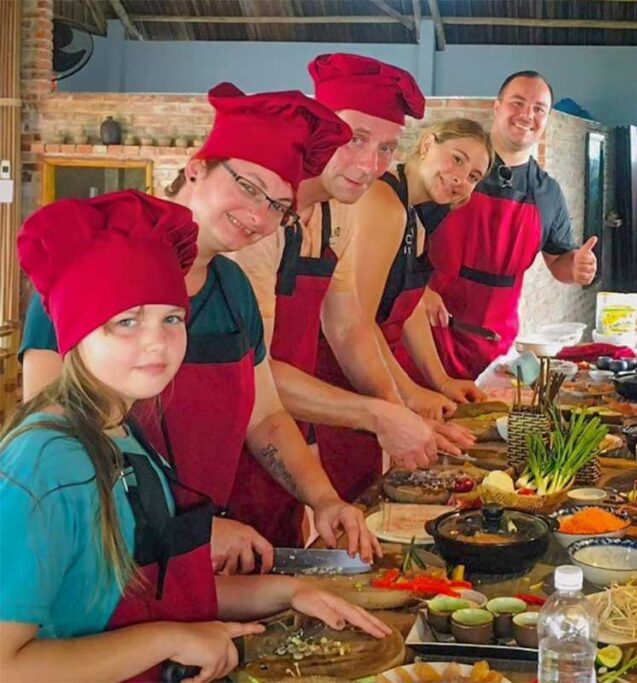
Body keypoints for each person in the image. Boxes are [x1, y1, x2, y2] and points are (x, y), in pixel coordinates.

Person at [0, 191, 389, 682]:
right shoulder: (45, 464)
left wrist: (289, 591)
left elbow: (158, 588)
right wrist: (170, 638)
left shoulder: (123, 435)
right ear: (76, 333)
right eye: (126, 321)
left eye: (172, 318)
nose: (157, 342)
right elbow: (7, 664)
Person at [19, 83, 377, 573]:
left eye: (278, 206)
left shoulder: (233, 287)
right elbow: (52, 442)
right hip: (107, 562)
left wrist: (324, 498)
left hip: (215, 559)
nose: (259, 216)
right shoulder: (91, 269)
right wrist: (185, 528)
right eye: (249, 187)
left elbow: (265, 417)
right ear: (196, 167)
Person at [228, 56, 474, 541]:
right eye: (355, 137)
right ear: (320, 124)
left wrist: (400, 412)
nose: (370, 165)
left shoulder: (337, 213)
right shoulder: (260, 221)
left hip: (285, 427)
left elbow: (349, 324)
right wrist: (380, 414)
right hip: (229, 433)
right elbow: (251, 371)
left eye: (386, 148)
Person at [314, 118, 492, 503]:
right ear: (427, 144)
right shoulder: (383, 202)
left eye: (474, 175)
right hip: (339, 374)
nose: (461, 178)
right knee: (349, 497)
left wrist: (441, 382)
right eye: (456, 159)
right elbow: (359, 319)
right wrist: (406, 395)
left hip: (367, 377)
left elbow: (406, 308)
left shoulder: (417, 215)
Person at [413, 70, 598, 381]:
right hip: (428, 335)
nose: (528, 114)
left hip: (496, 347)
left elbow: (559, 264)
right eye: (518, 102)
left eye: (539, 108)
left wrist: (577, 265)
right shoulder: (452, 171)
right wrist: (417, 290)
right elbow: (398, 240)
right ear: (497, 107)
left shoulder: (547, 192)